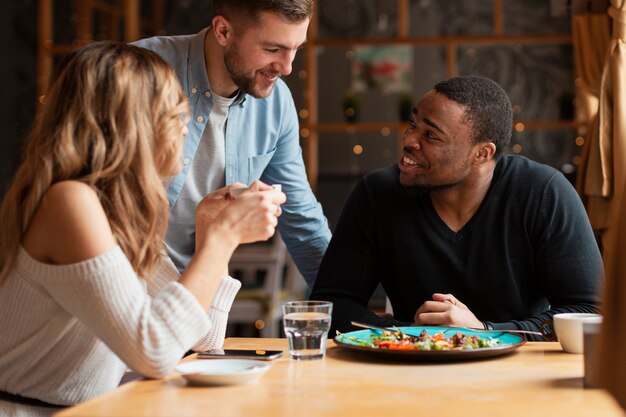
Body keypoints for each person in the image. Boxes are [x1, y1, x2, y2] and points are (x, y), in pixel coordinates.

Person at [0, 41, 285, 416]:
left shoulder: (119, 212)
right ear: (130, 125)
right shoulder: (69, 202)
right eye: (174, 115)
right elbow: (154, 352)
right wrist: (225, 236)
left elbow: (204, 339)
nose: (185, 132)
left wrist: (209, 231)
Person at [310, 75, 603, 339]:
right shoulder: (377, 194)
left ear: (482, 154)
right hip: (410, 375)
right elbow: (332, 305)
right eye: (413, 124)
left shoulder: (543, 193)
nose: (409, 140)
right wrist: (412, 335)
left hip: (519, 378)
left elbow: (590, 312)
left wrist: (483, 332)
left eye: (431, 136)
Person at [133, 0, 331, 286]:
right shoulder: (137, 71)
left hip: (197, 292)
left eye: (296, 49)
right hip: (120, 285)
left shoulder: (276, 104)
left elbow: (302, 221)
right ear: (223, 31)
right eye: (272, 49)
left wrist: (348, 306)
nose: (287, 67)